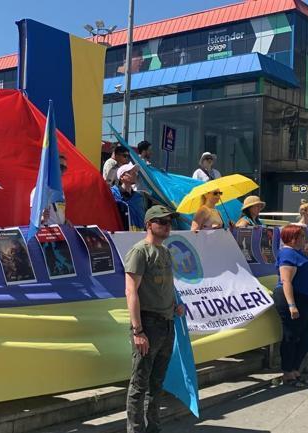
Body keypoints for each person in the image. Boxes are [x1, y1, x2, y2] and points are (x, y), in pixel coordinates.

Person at [123, 205, 185, 433]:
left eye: (169, 222)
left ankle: (153, 428)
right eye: (162, 222)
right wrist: (138, 331)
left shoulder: (165, 251)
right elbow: (131, 291)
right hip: (148, 324)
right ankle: (136, 430)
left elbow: (166, 286)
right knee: (140, 384)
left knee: (157, 383)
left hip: (167, 323)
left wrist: (175, 305)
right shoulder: (140, 252)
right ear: (149, 224)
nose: (167, 226)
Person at [274, 224, 308, 387]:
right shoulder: (287, 254)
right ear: (292, 238)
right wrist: (292, 305)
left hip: (305, 299)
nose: (304, 240)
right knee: (291, 335)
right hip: (292, 298)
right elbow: (286, 281)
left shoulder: (298, 253)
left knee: (306, 336)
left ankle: (295, 369)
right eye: (301, 237)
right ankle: (288, 373)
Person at [30, 154, 70, 226]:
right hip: (47, 234)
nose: (62, 171)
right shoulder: (38, 191)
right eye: (61, 167)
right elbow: (33, 219)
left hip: (61, 232)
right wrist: (41, 219)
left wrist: (65, 221)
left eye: (64, 168)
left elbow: (57, 214)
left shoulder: (60, 191)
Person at [111, 163, 146, 231]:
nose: (135, 174)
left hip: (137, 235)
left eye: (135, 172)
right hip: (118, 234)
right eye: (131, 172)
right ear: (121, 177)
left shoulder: (139, 198)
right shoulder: (113, 194)